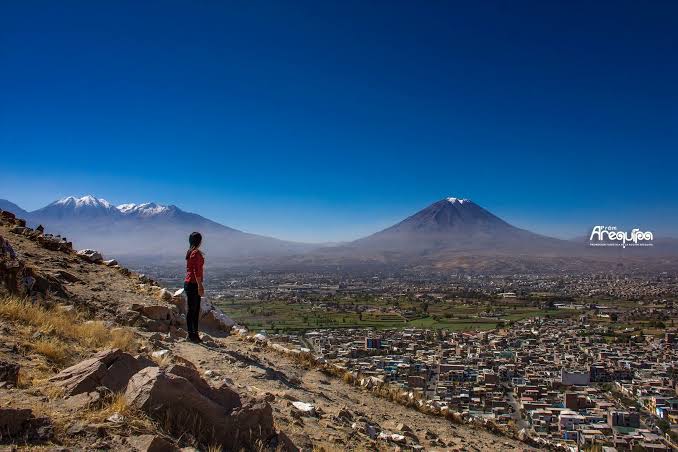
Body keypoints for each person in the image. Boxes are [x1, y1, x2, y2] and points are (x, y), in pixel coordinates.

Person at [184, 232, 205, 343]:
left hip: (190, 283)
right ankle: (191, 335)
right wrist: (200, 285)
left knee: (194, 310)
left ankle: (194, 334)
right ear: (199, 241)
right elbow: (196, 271)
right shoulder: (195, 253)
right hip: (193, 284)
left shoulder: (191, 251)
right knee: (193, 310)